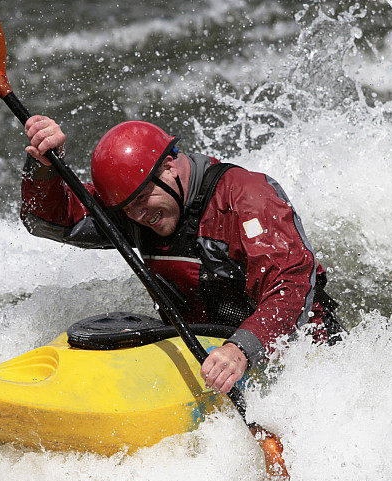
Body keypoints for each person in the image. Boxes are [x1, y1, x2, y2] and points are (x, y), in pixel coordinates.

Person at [20, 116, 341, 394]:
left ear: (169, 166)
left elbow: (290, 286)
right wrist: (44, 168)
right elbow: (49, 222)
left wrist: (240, 349)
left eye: (143, 198)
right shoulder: (135, 206)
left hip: (297, 356)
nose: (141, 214)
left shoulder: (247, 199)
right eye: (127, 207)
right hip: (206, 354)